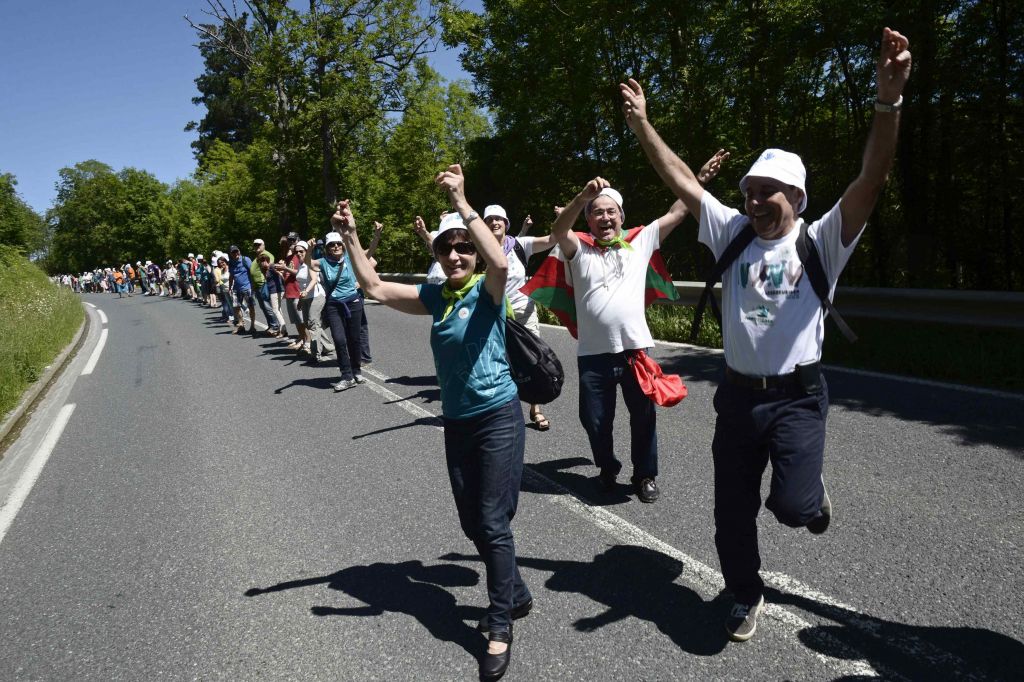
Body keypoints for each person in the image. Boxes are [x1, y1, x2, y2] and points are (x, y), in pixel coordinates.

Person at [619, 27, 912, 641]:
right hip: (738, 398)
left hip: (798, 397)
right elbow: (680, 180)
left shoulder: (821, 238)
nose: (752, 200)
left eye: (765, 191)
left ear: (797, 196)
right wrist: (643, 123)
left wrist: (888, 102)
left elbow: (871, 178)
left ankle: (809, 495)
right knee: (730, 513)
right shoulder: (732, 233)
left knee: (794, 508)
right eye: (748, 191)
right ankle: (744, 593)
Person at [331, 164, 529, 681]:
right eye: (447, 248)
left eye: (464, 246)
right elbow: (372, 286)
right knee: (474, 522)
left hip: (499, 416)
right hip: (457, 421)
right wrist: (351, 236)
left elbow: (499, 262)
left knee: (490, 520)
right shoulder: (435, 298)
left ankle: (499, 624)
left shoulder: (490, 290)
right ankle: (516, 588)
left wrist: (464, 202)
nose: (457, 255)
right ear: (437, 256)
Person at [541, 157, 723, 503]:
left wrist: (697, 179)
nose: (605, 217)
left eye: (611, 211)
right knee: (594, 421)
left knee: (643, 418)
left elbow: (677, 212)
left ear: (621, 216)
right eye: (597, 212)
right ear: (589, 219)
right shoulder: (577, 247)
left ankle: (645, 476)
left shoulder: (640, 240)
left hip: (634, 350)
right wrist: (581, 198)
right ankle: (608, 467)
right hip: (593, 355)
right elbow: (558, 230)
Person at [482, 205, 557, 430]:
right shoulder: (479, 250)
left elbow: (552, 239)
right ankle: (505, 410)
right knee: (501, 363)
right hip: (494, 315)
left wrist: (563, 218)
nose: (495, 222)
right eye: (490, 220)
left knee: (534, 360)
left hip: (524, 313)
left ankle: (536, 407)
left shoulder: (520, 245)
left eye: (499, 219)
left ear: (506, 223)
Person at [309, 232, 368, 391]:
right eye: (332, 245)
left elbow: (367, 254)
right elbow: (308, 263)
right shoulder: (322, 262)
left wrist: (376, 236)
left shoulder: (349, 258)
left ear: (342, 246)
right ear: (327, 248)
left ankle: (356, 371)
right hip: (333, 305)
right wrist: (309, 249)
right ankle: (346, 376)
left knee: (354, 339)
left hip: (353, 302)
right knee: (339, 339)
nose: (336, 246)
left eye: (338, 244)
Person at [294, 240, 334, 361]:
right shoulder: (300, 265)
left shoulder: (309, 263)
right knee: (309, 324)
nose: (299, 253)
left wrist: (306, 291)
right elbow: (301, 285)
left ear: (306, 251)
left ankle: (315, 353)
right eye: (297, 252)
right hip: (306, 298)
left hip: (316, 296)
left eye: (301, 251)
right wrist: (301, 300)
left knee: (312, 323)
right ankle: (328, 346)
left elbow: (314, 279)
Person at [250, 239, 282, 337]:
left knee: (268, 306)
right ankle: (271, 325)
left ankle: (275, 326)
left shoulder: (267, 254)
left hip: (264, 284)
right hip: (257, 286)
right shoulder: (257, 257)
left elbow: (269, 267)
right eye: (255, 245)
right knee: (264, 307)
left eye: (259, 245)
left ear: (263, 245)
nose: (257, 246)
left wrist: (265, 280)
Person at [227, 245, 258, 335]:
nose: (235, 253)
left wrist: (253, 285)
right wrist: (230, 287)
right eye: (233, 252)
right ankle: (241, 325)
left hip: (247, 287)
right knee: (236, 307)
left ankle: (252, 326)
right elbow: (231, 275)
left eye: (236, 251)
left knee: (251, 306)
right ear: (230, 254)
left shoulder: (246, 259)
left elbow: (253, 272)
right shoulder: (231, 263)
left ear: (239, 251)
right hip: (236, 288)